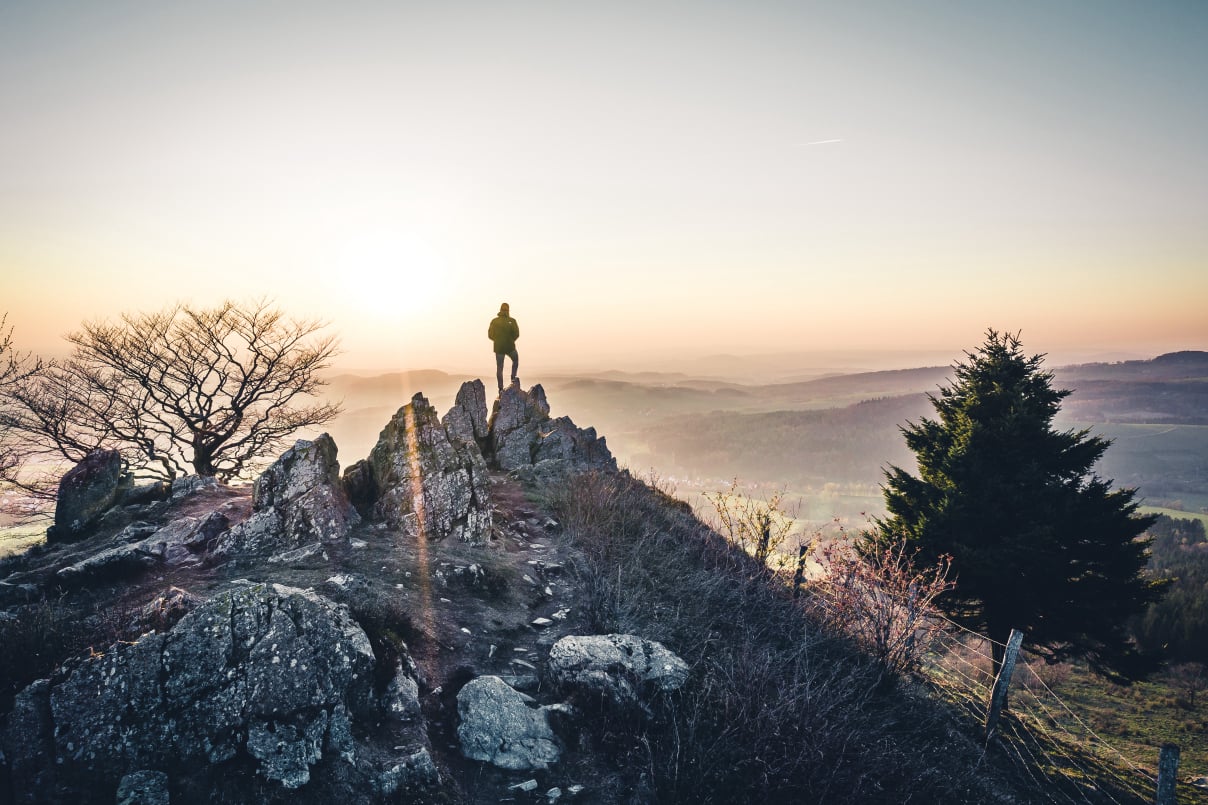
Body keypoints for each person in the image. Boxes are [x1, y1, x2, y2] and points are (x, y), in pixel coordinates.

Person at [487, 302, 519, 393]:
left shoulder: (494, 321)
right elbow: (516, 334)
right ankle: (513, 380)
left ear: (500, 309)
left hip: (499, 348)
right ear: (508, 310)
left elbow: (490, 334)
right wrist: (510, 340)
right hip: (510, 347)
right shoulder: (512, 321)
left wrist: (497, 340)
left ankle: (500, 388)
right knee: (515, 360)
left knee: (500, 367)